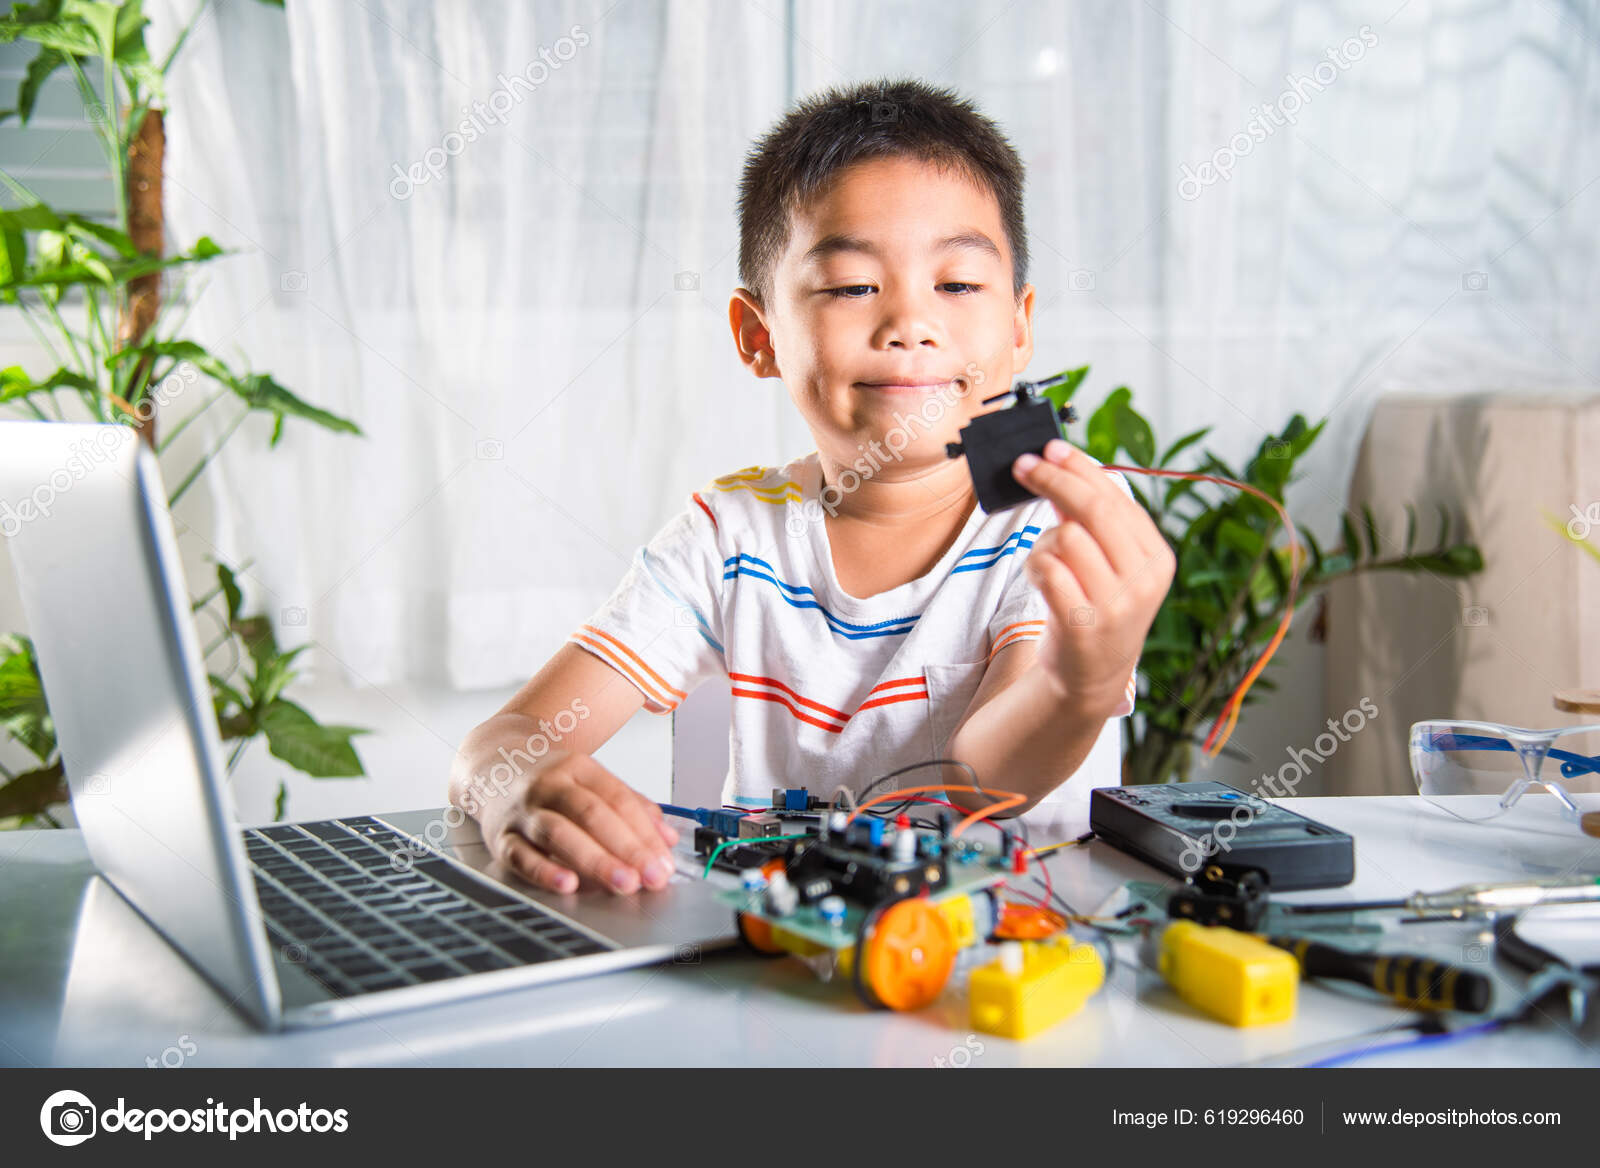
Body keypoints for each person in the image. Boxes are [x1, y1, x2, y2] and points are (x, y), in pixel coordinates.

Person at [448, 78, 1174, 897]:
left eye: (959, 285)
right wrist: (505, 776)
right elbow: (507, 739)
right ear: (758, 336)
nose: (910, 323)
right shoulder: (729, 538)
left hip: (1008, 974)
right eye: (852, 286)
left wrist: (1080, 686)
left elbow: (981, 776)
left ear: (1019, 327)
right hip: (782, 968)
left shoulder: (1051, 524)